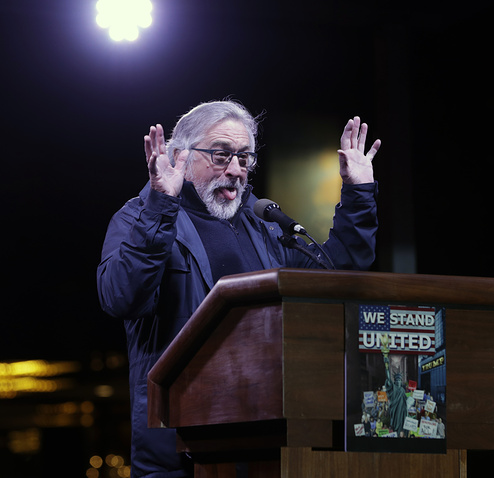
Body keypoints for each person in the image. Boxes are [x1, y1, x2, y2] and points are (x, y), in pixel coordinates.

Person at [96, 100, 381, 478]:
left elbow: (334, 279)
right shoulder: (139, 217)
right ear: (180, 156)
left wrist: (358, 194)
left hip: (265, 443)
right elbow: (120, 296)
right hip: (179, 451)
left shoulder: (265, 225)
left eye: (244, 157)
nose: (235, 170)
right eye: (221, 155)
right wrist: (160, 207)